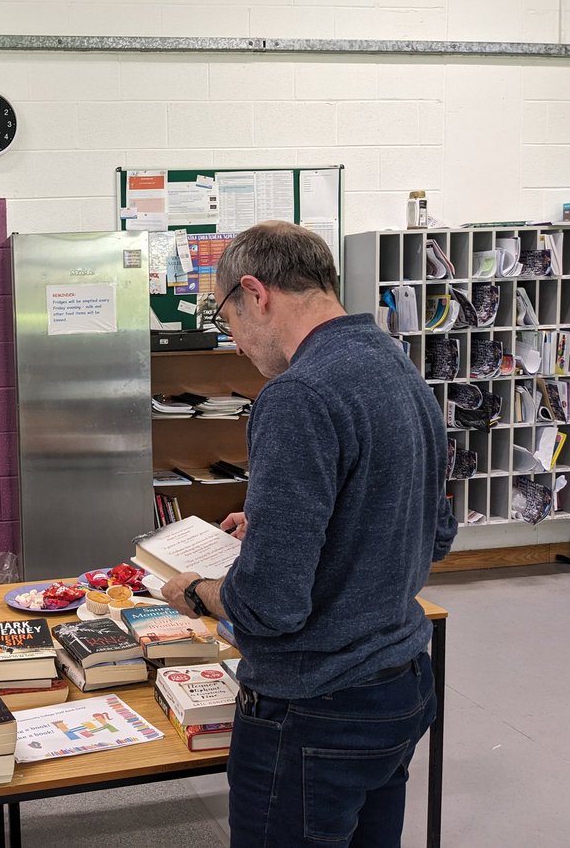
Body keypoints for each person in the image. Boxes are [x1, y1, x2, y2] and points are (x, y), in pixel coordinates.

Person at [162, 221, 457, 847]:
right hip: (401, 684)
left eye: (227, 319)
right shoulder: (396, 365)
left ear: (255, 293)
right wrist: (273, 529)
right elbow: (432, 534)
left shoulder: (297, 394)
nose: (236, 342)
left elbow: (270, 604)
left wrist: (196, 591)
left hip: (315, 712)